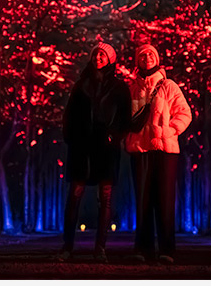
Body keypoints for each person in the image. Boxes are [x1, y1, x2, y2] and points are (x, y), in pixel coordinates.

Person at [59, 41, 131, 263]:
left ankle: (100, 248)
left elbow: (125, 117)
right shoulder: (81, 84)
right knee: (74, 195)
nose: (98, 58)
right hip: (81, 147)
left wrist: (114, 136)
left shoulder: (119, 87)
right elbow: (69, 114)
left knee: (106, 198)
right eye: (95, 54)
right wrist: (70, 137)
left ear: (110, 59)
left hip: (106, 148)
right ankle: (67, 247)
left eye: (102, 55)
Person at [125, 43, 192, 264]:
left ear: (157, 58)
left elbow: (184, 113)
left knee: (164, 200)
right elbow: (126, 118)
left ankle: (167, 249)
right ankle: (142, 249)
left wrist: (167, 131)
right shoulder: (132, 88)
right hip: (139, 149)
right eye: (142, 55)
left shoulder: (169, 86)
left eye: (151, 54)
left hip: (165, 149)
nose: (147, 58)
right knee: (142, 200)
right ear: (137, 60)